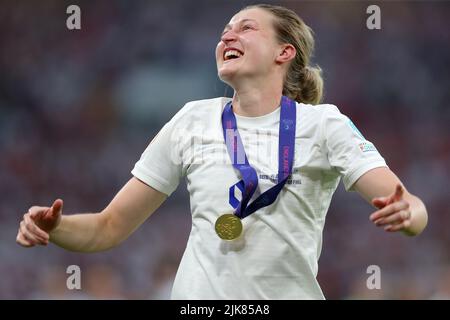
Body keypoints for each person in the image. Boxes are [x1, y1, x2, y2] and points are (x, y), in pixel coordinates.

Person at [16, 4, 428, 299]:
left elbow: (406, 202)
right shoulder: (192, 120)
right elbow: (109, 227)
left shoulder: (323, 125)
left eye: (246, 28)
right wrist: (55, 228)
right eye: (225, 31)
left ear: (284, 53)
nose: (227, 35)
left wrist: (408, 213)